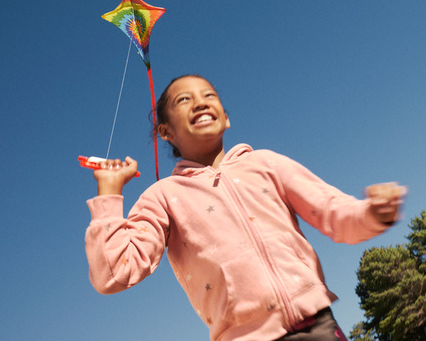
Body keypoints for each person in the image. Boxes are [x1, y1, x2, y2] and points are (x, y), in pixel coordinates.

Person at [84, 75, 407, 340]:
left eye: (209, 95)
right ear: (165, 132)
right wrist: (109, 192)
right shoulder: (163, 196)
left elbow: (332, 212)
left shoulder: (265, 163)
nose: (199, 102)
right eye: (183, 100)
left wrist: (372, 213)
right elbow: (114, 272)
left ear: (226, 117)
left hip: (317, 327)